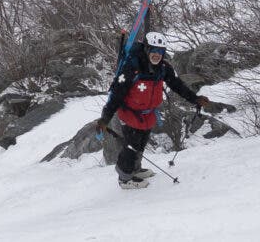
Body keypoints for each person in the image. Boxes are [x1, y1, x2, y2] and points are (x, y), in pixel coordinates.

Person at [97, 32, 226, 188]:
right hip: (130, 113)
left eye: (160, 51)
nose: (157, 54)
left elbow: (176, 85)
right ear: (147, 49)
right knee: (131, 145)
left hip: (147, 114)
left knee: (141, 143)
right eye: (154, 50)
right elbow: (116, 95)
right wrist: (105, 118)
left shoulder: (163, 68)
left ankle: (135, 169)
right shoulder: (132, 68)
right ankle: (124, 178)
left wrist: (194, 99)